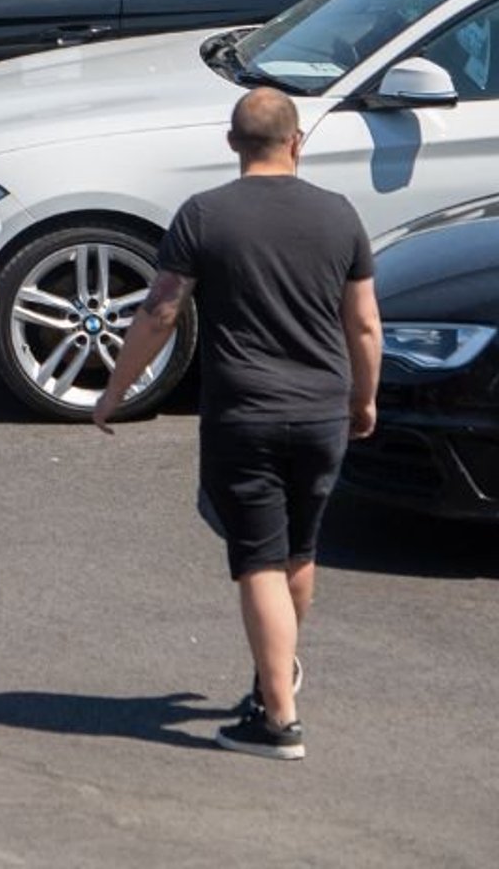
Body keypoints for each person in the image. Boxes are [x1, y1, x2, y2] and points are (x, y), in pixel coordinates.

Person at [94, 87, 381, 762]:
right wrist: (365, 400)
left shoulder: (204, 215)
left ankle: (278, 719)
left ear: (232, 144)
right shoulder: (339, 216)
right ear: (297, 143)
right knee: (299, 552)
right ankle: (273, 674)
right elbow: (364, 322)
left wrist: (116, 388)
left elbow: (160, 311)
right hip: (320, 411)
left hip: (244, 413)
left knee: (258, 558)